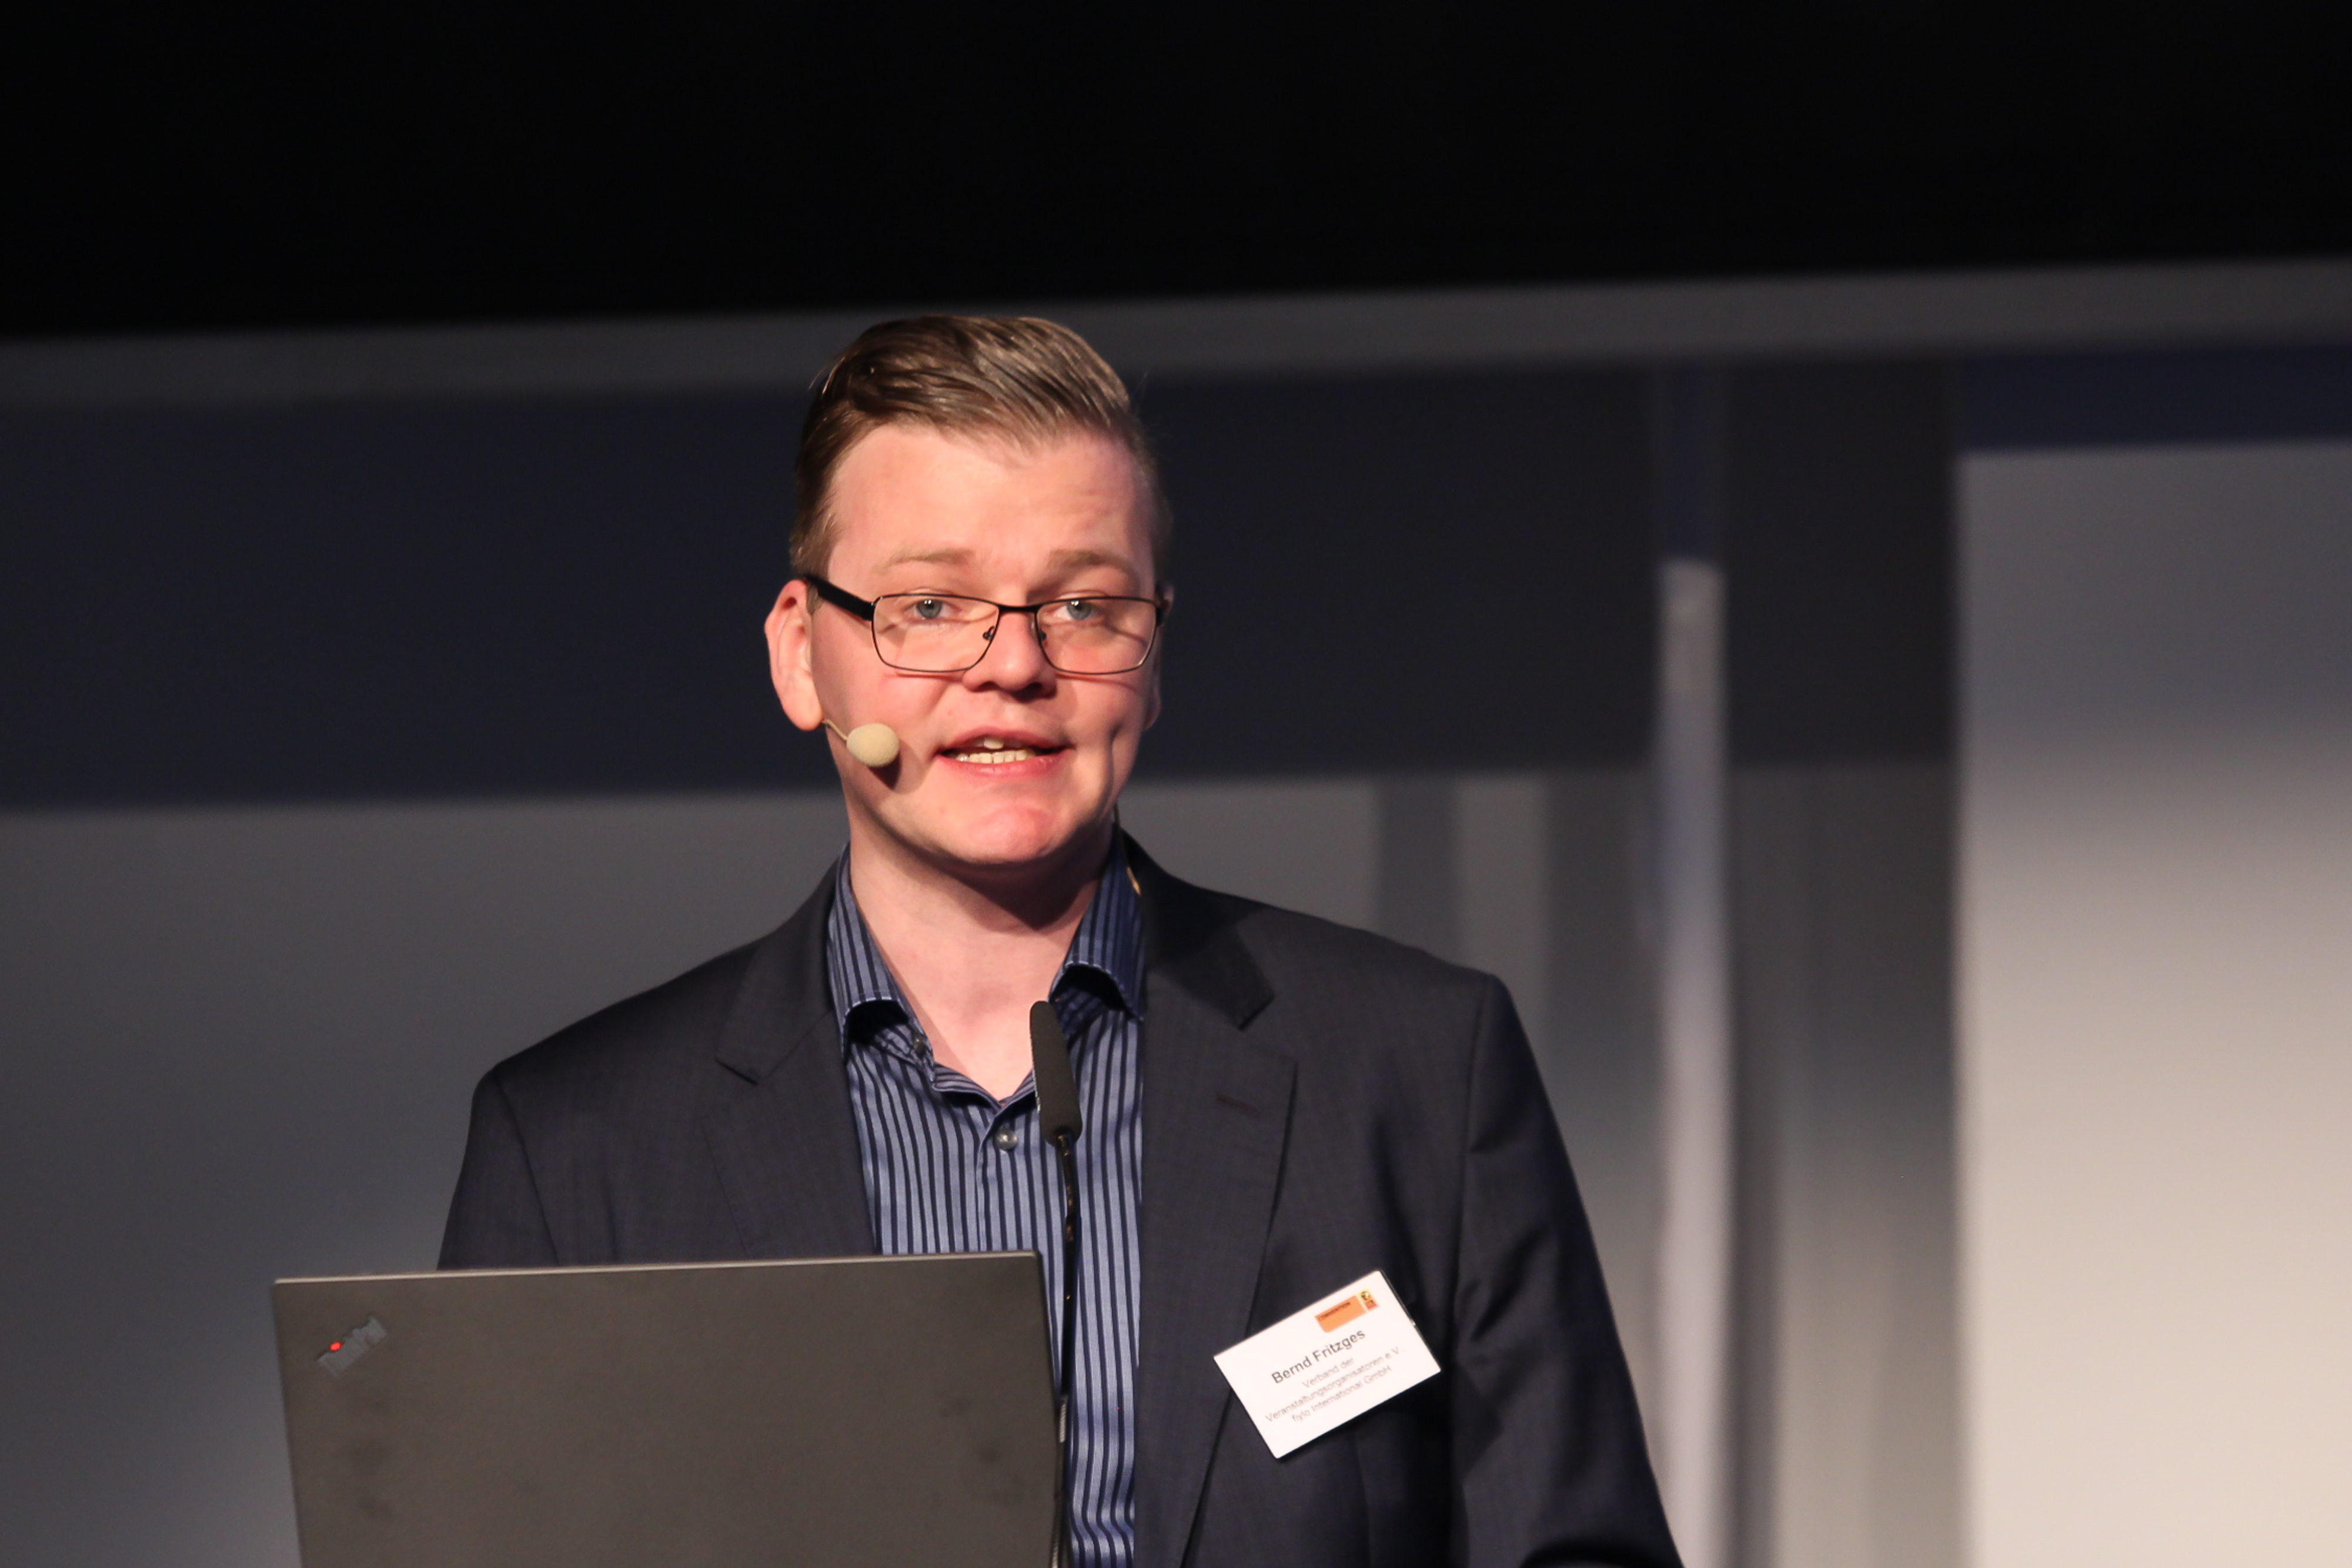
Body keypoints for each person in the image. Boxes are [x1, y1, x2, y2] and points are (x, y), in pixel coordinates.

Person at [440, 315, 1679, 1568]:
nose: (1017, 666)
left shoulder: (1415, 1070)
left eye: (1083, 606)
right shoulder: (577, 1150)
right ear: (800, 654)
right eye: (931, 606)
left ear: (1153, 656)